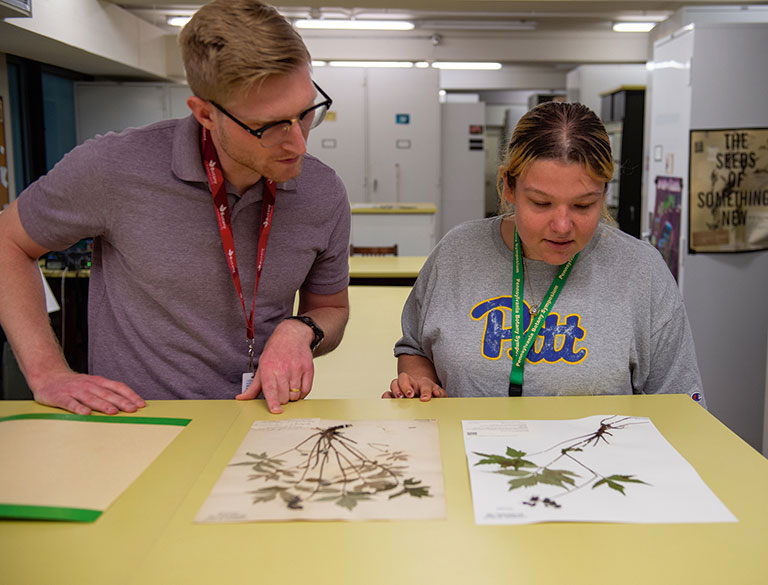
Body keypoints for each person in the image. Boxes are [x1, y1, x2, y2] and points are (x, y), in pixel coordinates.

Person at [0, 0, 350, 416]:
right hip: (140, 426)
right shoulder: (114, 167)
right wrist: (45, 372)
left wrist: (300, 329)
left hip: (262, 423)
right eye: (268, 125)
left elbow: (329, 308)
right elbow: (9, 241)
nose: (298, 143)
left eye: (306, 112)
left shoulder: (322, 190)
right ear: (205, 114)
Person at [386, 101, 705, 405]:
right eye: (541, 203)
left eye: (583, 205)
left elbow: (681, 406)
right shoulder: (456, 254)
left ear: (605, 193)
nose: (563, 225)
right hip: (465, 456)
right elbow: (415, 346)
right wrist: (418, 382)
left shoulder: (642, 272)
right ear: (508, 186)